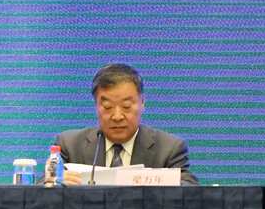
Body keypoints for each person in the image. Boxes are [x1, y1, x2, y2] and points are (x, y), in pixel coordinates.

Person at [56, 63, 198, 186]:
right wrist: (56, 183)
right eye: (107, 107)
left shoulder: (169, 149)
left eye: (126, 106)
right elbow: (42, 189)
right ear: (96, 106)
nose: (117, 116)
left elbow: (190, 191)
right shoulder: (70, 146)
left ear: (142, 103)